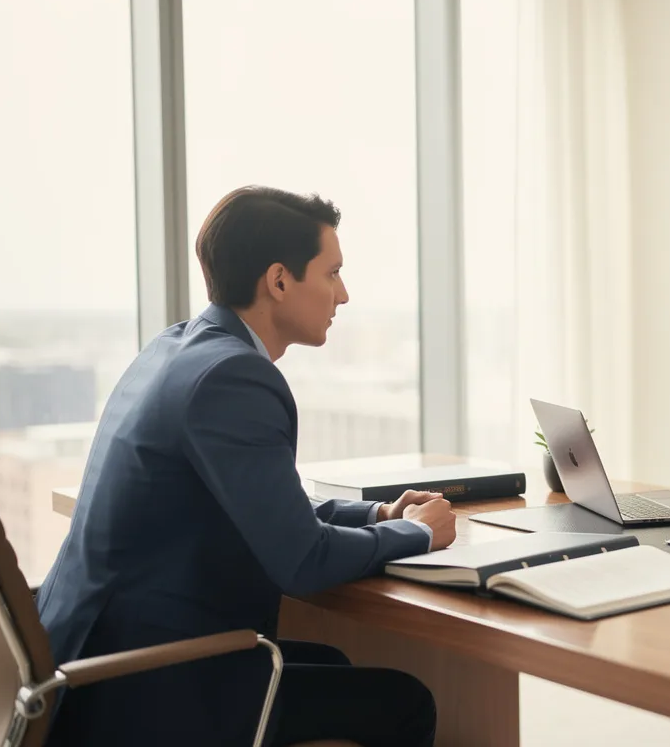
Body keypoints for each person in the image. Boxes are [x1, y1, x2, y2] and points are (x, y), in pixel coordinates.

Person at [37, 186, 452, 747]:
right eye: (332, 273)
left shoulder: (176, 348)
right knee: (408, 704)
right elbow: (303, 560)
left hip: (85, 660)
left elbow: (263, 507)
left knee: (331, 658)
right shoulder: (234, 378)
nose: (344, 294)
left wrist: (376, 512)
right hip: (140, 690)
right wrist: (416, 534)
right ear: (279, 281)